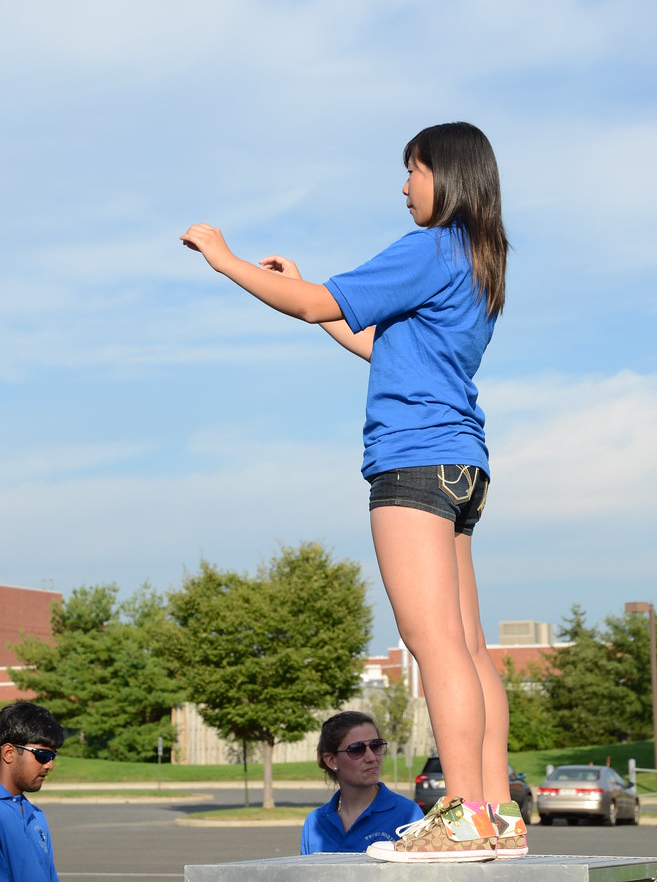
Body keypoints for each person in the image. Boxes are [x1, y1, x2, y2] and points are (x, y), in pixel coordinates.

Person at [181, 121, 525, 862]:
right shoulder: (479, 259)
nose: (404, 186)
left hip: (413, 461)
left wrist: (225, 259)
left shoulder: (431, 246)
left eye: (413, 170)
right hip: (462, 466)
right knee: (469, 646)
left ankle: (462, 814)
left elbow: (313, 303)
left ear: (447, 175)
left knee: (434, 645)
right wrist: (313, 287)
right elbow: (377, 342)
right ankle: (497, 812)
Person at [300, 711, 422, 854]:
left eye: (376, 746)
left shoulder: (408, 815)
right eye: (356, 749)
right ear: (331, 760)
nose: (371, 757)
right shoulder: (315, 823)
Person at [0, 701, 64, 881]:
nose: (50, 765)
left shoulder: (36, 815)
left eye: (53, 756)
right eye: (42, 755)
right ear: (9, 753)